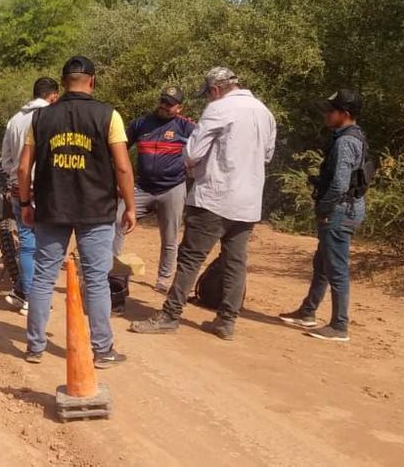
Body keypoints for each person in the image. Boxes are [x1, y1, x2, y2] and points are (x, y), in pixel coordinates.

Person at [131, 67, 276, 341]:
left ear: (216, 90)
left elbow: (192, 152)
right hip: (248, 201)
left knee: (190, 258)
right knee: (235, 262)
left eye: (208, 94)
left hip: (214, 195)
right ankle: (226, 321)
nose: (208, 99)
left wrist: (194, 165)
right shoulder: (264, 112)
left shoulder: (218, 109)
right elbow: (267, 155)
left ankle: (170, 315)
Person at [18, 56, 137, 368]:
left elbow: (23, 168)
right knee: (96, 280)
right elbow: (123, 167)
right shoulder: (108, 115)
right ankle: (102, 350)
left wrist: (25, 204)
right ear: (92, 81)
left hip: (52, 208)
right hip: (96, 210)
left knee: (43, 277)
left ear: (63, 82)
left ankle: (35, 347)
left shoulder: (40, 118)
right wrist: (130, 206)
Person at [279, 89, 368, 342]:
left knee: (336, 268)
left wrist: (324, 208)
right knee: (323, 263)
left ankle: (339, 325)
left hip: (339, 211)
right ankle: (308, 311)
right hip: (346, 208)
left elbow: (340, 184)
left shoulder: (345, 141)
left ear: (345, 114)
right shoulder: (354, 135)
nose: (326, 114)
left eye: (331, 110)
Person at [118, 86, 195, 293]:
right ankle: (113, 269)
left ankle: (164, 279)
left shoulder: (186, 127)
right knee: (116, 221)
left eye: (170, 104)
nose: (164, 106)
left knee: (170, 237)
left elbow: (202, 150)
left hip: (173, 188)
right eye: (163, 101)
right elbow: (120, 149)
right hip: (142, 187)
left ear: (179, 108)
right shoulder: (141, 123)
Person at [0, 76, 60, 314]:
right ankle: (31, 299)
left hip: (19, 187)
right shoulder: (52, 117)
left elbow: (6, 160)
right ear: (53, 96)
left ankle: (20, 292)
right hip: (45, 189)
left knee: (28, 243)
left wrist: (17, 177)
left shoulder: (15, 120)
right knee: (44, 245)